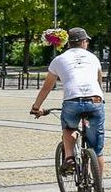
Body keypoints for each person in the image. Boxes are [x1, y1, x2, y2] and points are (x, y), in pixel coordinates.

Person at [30, 27, 105, 177]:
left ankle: (69, 158)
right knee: (97, 150)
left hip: (73, 100)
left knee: (69, 128)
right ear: (84, 42)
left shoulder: (58, 60)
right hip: (96, 99)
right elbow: (99, 82)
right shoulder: (93, 58)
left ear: (68, 43)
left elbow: (46, 88)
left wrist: (36, 107)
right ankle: (98, 187)